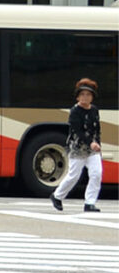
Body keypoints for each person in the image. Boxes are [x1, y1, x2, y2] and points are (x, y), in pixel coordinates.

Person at [49, 79, 102, 212]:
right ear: (78, 96)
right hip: (78, 148)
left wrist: (98, 144)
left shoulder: (94, 110)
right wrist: (92, 143)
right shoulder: (74, 111)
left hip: (93, 150)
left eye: (88, 94)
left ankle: (90, 203)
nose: (85, 97)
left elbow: (97, 129)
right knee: (74, 175)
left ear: (92, 97)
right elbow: (78, 131)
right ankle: (57, 196)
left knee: (96, 173)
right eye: (82, 94)